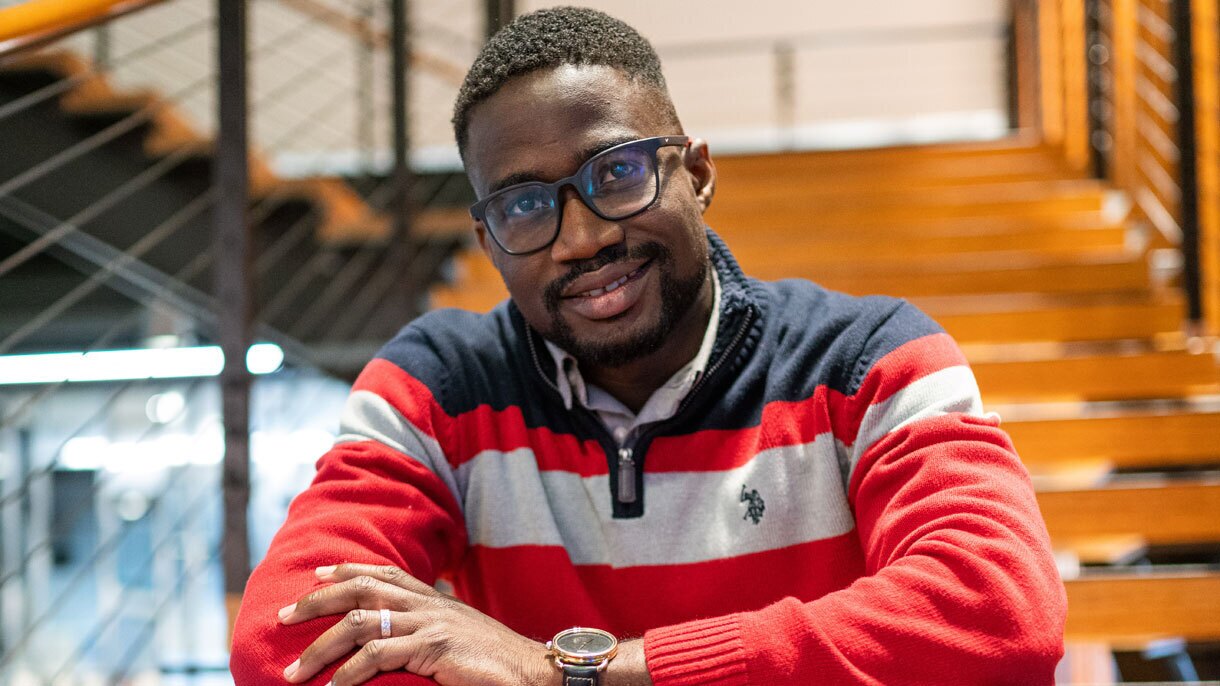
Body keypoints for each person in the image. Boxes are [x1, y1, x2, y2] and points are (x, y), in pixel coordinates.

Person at [230, 7, 1066, 685]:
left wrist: (571, 674)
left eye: (618, 173)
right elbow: (282, 642)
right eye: (525, 206)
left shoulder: (870, 361)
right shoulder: (439, 387)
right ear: (487, 242)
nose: (582, 238)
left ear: (697, 174)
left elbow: (998, 613)